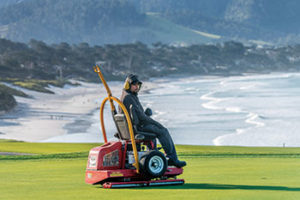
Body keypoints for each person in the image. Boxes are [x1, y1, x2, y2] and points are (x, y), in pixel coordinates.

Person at [120, 74, 186, 168]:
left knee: (154, 133)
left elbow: (137, 115)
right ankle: (172, 158)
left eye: (138, 85)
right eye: (134, 85)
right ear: (128, 85)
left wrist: (146, 116)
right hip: (136, 129)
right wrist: (156, 123)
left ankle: (151, 157)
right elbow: (142, 117)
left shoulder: (126, 96)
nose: (137, 87)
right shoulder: (129, 98)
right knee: (163, 131)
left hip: (131, 128)